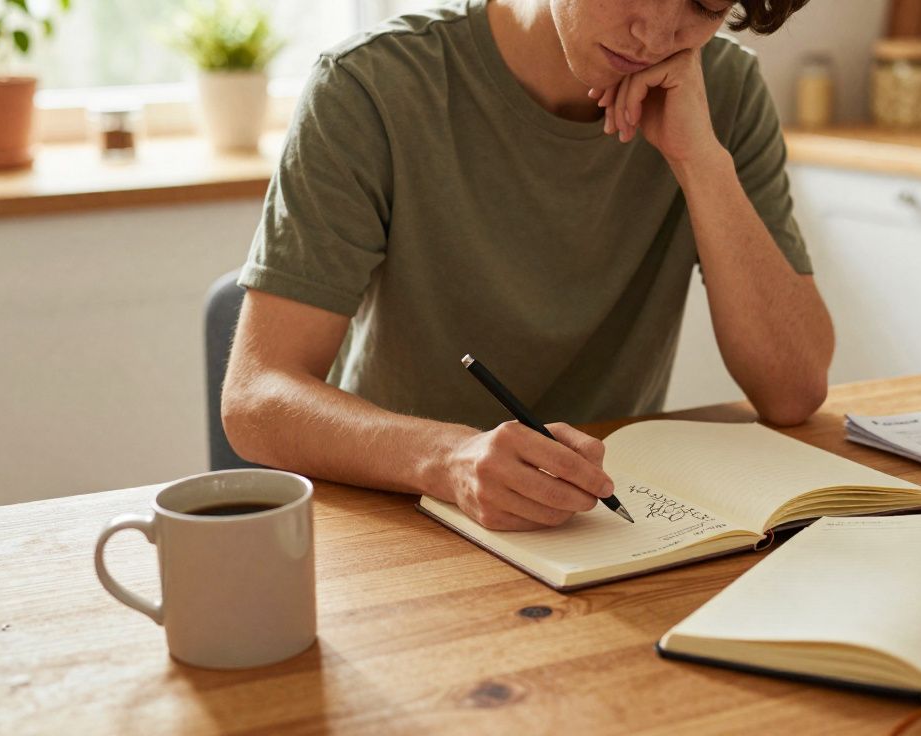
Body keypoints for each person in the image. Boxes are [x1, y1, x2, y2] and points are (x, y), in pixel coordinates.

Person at [222, 0, 834, 531]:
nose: (654, 34)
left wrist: (699, 160)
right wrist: (448, 460)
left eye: (702, 7)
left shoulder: (720, 94)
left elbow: (794, 391)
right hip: (402, 515)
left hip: (600, 526)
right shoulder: (371, 85)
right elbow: (255, 398)